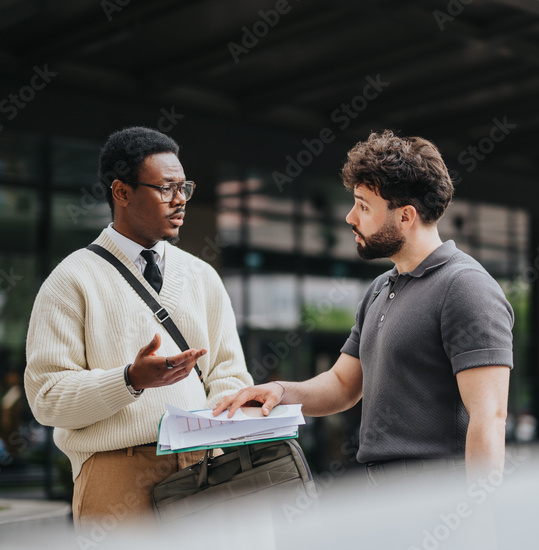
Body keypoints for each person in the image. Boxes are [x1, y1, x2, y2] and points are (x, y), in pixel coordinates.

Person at [215, 130, 513, 484]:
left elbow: (489, 417)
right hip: (381, 489)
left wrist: (474, 516)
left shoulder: (465, 287)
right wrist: (281, 391)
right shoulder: (379, 288)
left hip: (436, 494)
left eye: (364, 206)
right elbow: (342, 385)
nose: (350, 217)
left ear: (406, 216)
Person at [25, 127, 252, 526]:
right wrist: (129, 380)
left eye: (184, 187)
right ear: (122, 192)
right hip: (118, 473)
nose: (180, 199)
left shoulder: (202, 277)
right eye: (166, 188)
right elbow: (47, 397)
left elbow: (229, 374)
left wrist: (217, 425)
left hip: (206, 469)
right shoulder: (71, 280)